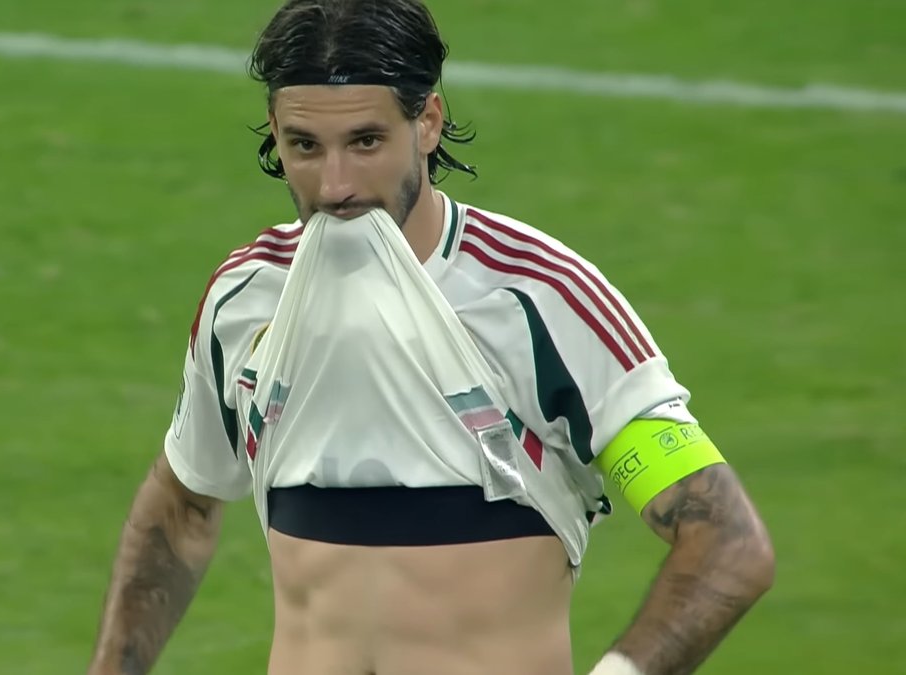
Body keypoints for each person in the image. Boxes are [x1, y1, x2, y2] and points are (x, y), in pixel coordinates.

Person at [86, 1, 775, 673]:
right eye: (305, 146)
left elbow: (726, 541)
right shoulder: (246, 299)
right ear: (275, 131)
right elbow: (183, 507)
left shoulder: (536, 299)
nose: (335, 186)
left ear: (428, 123)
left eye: (365, 142)